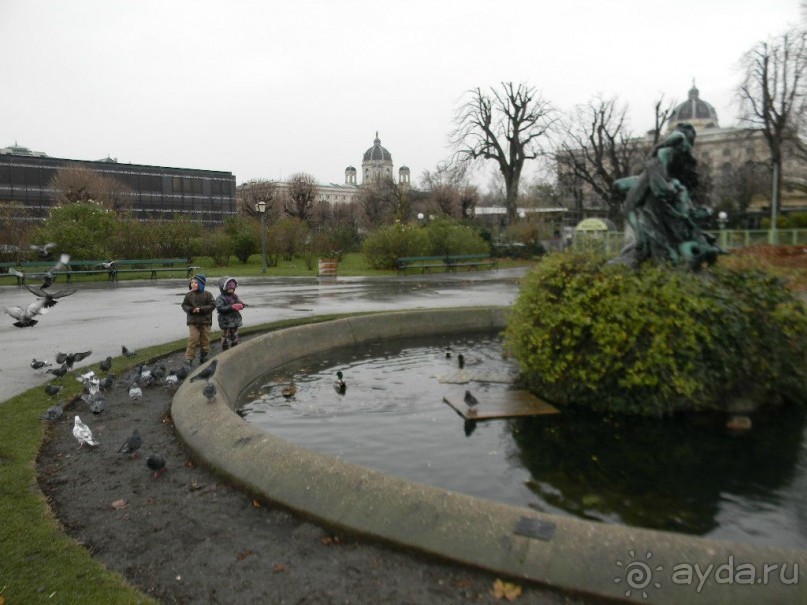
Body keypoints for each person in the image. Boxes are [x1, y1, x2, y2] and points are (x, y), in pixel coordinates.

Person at [181, 273, 216, 366]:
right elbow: (184, 305)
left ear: (201, 284)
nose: (193, 284)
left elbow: (212, 305)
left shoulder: (208, 295)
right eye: (192, 283)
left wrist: (201, 309)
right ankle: (189, 358)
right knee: (193, 339)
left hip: (205, 321)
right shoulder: (188, 295)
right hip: (193, 321)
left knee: (205, 339)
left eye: (195, 283)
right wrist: (190, 309)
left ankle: (204, 355)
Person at [215, 276, 245, 350]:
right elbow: (220, 308)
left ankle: (235, 347)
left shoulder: (234, 296)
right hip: (225, 320)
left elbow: (239, 302)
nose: (231, 289)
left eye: (233, 288)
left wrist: (241, 305)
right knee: (226, 335)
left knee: (235, 334)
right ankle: (225, 348)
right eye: (229, 288)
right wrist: (231, 307)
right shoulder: (220, 298)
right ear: (224, 288)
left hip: (234, 319)